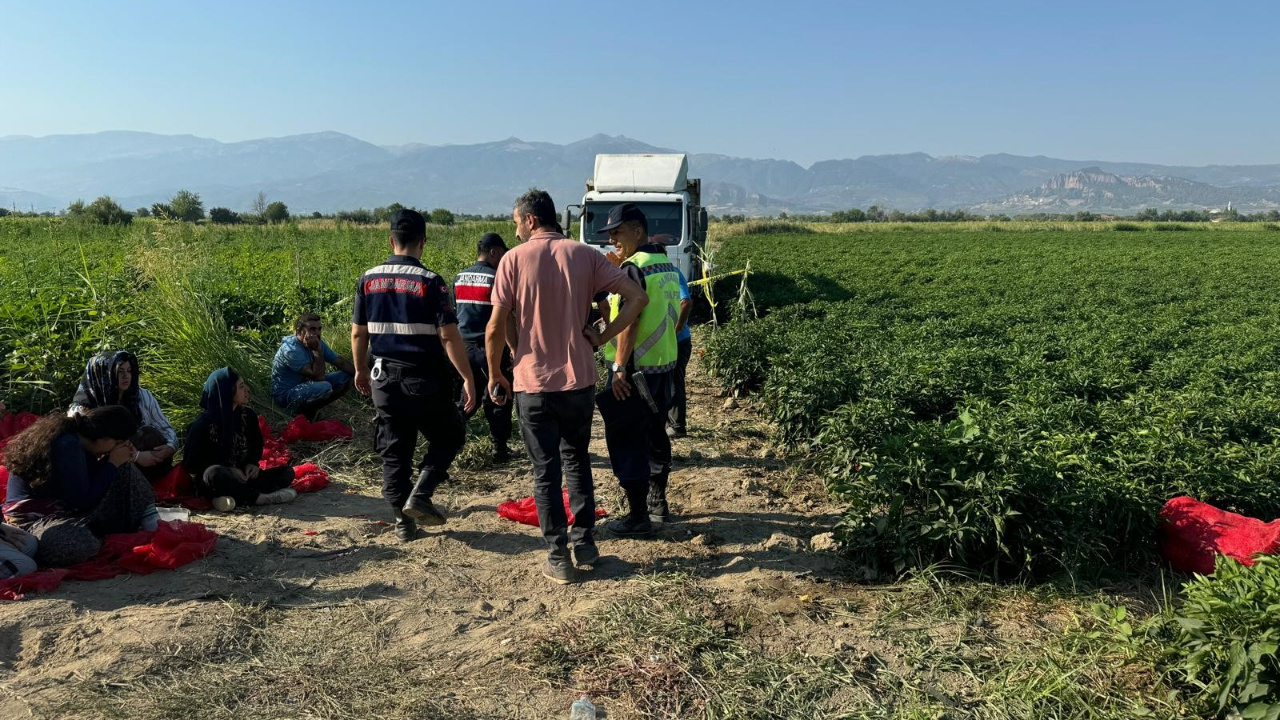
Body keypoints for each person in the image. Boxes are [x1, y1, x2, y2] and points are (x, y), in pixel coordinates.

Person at [486, 189, 649, 584]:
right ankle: (585, 541)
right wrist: (603, 335)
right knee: (576, 460)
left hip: (533, 383)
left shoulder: (513, 259)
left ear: (528, 220)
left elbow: (495, 325)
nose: (516, 230)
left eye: (515, 223)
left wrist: (497, 372)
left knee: (546, 470)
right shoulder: (585, 255)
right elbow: (636, 296)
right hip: (577, 381)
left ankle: (558, 555)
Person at [352, 209, 477, 542]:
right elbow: (449, 336)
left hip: (383, 379)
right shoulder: (431, 282)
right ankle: (421, 494)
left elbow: (358, 334)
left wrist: (360, 370)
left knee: (395, 449)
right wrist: (467, 377)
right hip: (424, 380)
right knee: (449, 434)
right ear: (423, 242)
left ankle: (402, 522)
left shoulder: (367, 279)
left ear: (391, 240)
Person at [592, 203, 682, 537]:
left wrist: (618, 367)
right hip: (662, 366)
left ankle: (637, 516)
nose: (612, 239)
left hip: (632, 371)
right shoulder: (665, 265)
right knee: (656, 435)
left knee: (627, 440)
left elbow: (632, 324)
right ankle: (658, 506)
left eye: (617, 232)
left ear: (638, 232)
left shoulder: (634, 268)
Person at [2, 406, 159, 567]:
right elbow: (82, 500)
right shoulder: (68, 444)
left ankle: (148, 517)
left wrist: (116, 462)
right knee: (78, 543)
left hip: (69, 510)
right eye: (118, 443)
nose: (120, 448)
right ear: (103, 439)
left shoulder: (83, 442)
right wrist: (112, 463)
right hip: (34, 520)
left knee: (125, 467)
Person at [183, 367, 297, 512]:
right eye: (241, 386)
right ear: (227, 391)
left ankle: (230, 498)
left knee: (287, 473)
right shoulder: (202, 424)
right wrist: (229, 470)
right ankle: (259, 498)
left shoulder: (247, 416)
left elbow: (255, 446)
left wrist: (251, 464)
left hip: (243, 476)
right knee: (215, 474)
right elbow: (191, 465)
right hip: (216, 480)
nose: (247, 390)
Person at [69, 351, 178, 483]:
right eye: (120, 371)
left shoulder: (142, 396)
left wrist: (169, 447)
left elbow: (165, 427)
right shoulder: (81, 409)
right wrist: (136, 456)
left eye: (129, 371)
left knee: (150, 434)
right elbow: (96, 446)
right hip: (106, 468)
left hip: (148, 462)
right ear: (103, 374)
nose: (126, 376)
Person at [453, 232, 515, 462]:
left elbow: (454, 312)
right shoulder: (497, 279)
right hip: (490, 347)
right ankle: (500, 449)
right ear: (493, 252)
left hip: (462, 348)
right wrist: (513, 349)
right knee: (499, 396)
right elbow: (505, 320)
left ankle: (451, 446)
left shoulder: (459, 277)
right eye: (502, 254)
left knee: (467, 397)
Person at [271, 313, 356, 418]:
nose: (317, 333)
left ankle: (313, 410)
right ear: (299, 331)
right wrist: (317, 350)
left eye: (319, 329)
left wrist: (363, 375)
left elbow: (340, 362)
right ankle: (298, 413)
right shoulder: (291, 350)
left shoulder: (316, 342)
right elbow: (319, 377)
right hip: (285, 395)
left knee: (347, 376)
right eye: (312, 329)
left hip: (306, 384)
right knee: (324, 387)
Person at [667, 267, 694, 438]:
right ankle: (670, 421)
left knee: (674, 382)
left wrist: (676, 330)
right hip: (668, 340)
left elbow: (686, 302)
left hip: (678, 340)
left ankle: (677, 426)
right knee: (668, 381)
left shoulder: (672, 273)